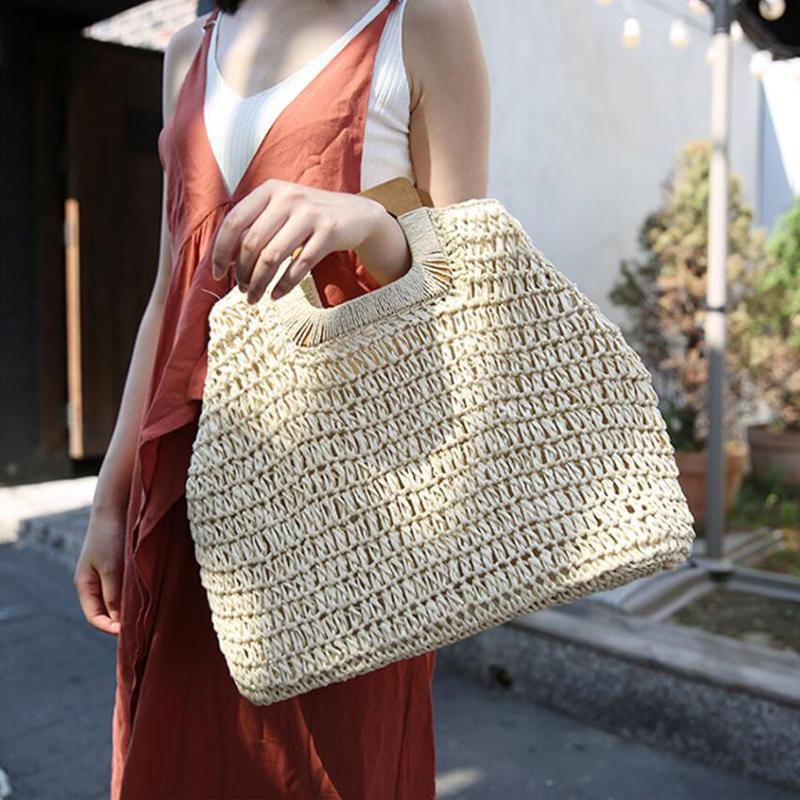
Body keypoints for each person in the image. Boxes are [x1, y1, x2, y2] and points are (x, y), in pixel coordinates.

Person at [73, 0, 490, 796]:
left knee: (334, 768)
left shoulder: (422, 20)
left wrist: (366, 222)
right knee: (180, 755)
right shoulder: (186, 52)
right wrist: (109, 498)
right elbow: (171, 292)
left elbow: (469, 274)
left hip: (350, 504)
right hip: (187, 489)